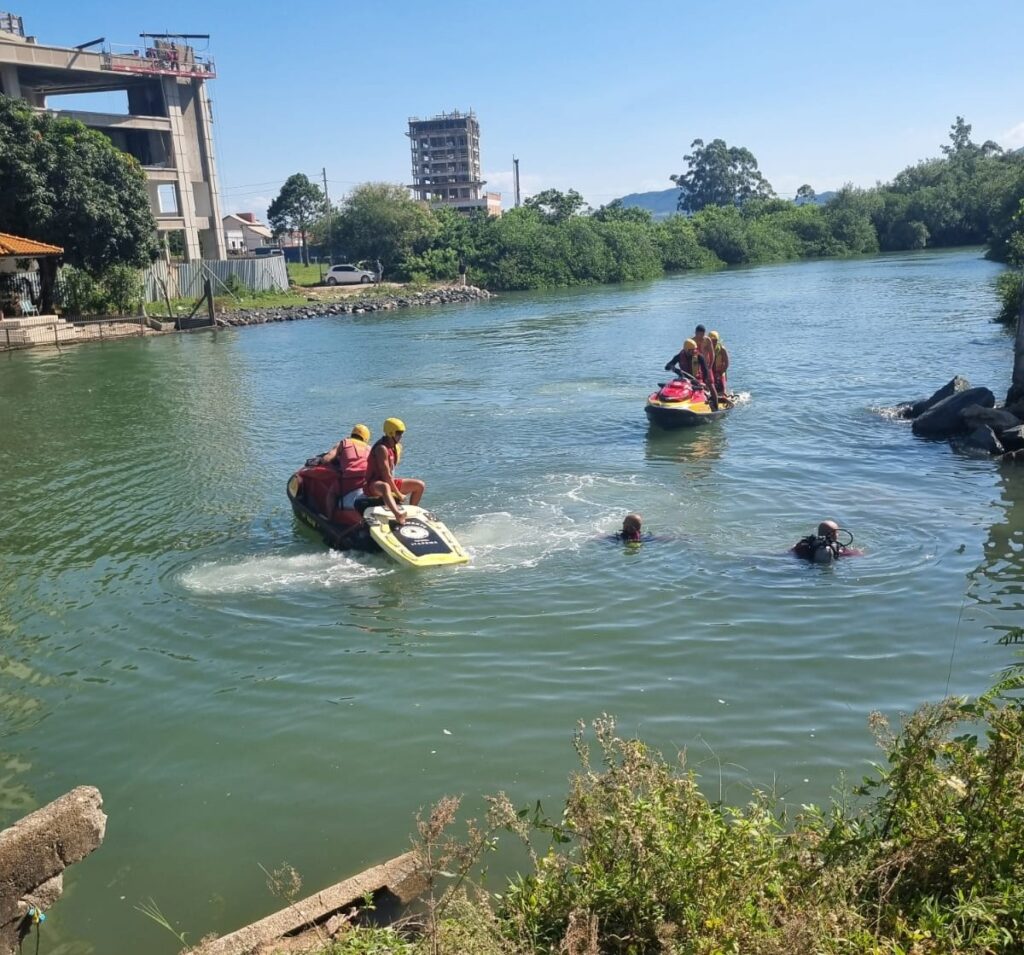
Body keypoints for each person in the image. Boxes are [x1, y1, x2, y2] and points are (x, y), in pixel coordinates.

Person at [363, 417, 426, 525]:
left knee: (419, 485)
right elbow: (386, 474)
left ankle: (411, 512)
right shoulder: (381, 449)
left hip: (388, 481)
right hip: (373, 485)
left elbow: (389, 476)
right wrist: (398, 494)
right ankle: (398, 515)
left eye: (402, 433)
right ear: (391, 433)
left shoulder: (393, 446)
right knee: (385, 486)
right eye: (399, 433)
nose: (401, 436)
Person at [321, 424, 373, 510]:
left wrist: (321, 460)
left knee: (331, 494)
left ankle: (329, 518)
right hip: (366, 480)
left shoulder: (344, 443)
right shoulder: (369, 448)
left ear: (352, 434)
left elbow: (328, 458)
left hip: (348, 480)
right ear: (366, 438)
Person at [664, 339, 719, 410]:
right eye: (691, 350)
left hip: (696, 381)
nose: (694, 351)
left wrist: (704, 382)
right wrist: (675, 369)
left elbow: (705, 371)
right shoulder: (679, 356)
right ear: (686, 350)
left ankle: (715, 406)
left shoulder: (699, 357)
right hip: (684, 381)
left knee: (707, 388)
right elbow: (667, 366)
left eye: (694, 349)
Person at [792, 520, 859, 563]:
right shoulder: (839, 550)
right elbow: (857, 555)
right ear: (833, 534)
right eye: (837, 533)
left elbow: (790, 552)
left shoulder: (805, 546)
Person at [709, 330, 730, 396]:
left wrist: (722, 371)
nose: (714, 342)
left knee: (722, 389)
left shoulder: (722, 349)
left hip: (720, 371)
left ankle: (723, 395)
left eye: (715, 340)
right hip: (711, 371)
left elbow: (726, 362)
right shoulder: (706, 349)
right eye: (712, 340)